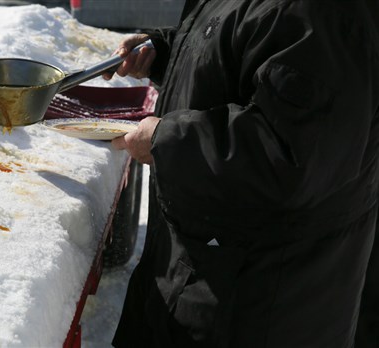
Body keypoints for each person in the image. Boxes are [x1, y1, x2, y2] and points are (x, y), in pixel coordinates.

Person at [104, 0, 379, 347]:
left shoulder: (322, 13)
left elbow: (289, 156)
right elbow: (249, 42)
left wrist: (168, 140)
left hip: (259, 299)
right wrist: (166, 51)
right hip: (212, 271)